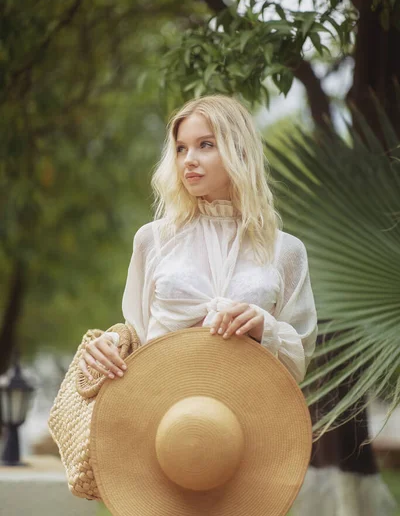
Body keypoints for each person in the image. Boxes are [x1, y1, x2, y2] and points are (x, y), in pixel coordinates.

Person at [79, 94, 318, 385]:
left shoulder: (285, 250)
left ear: (239, 150)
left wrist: (264, 328)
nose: (188, 160)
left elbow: (299, 360)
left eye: (205, 145)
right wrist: (109, 344)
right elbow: (138, 335)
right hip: (162, 406)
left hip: (244, 410)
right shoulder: (153, 239)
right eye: (181, 148)